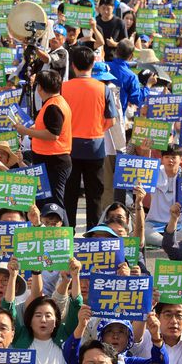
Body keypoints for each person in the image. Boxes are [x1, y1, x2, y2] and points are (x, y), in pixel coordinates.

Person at [61, 46, 116, 229]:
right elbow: (112, 120)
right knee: (95, 195)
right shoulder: (103, 88)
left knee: (70, 194)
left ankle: (67, 234)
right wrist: (97, 129)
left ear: (73, 65)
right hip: (95, 146)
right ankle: (94, 234)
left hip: (69, 147)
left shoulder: (63, 87)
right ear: (93, 63)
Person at [13, 68, 72, 214]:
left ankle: (61, 234)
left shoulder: (53, 106)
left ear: (40, 88)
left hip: (54, 161)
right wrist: (34, 127)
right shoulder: (54, 102)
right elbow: (49, 127)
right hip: (50, 160)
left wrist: (25, 131)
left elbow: (53, 134)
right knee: (47, 203)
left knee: (55, 205)